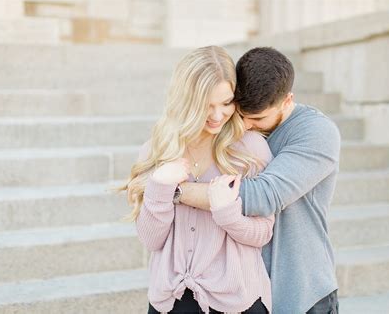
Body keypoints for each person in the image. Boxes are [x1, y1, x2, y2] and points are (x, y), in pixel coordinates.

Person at [178, 47, 341, 314]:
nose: (245, 126)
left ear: (288, 100)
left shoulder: (317, 132)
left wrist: (175, 191)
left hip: (300, 291)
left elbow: (264, 195)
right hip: (244, 292)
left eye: (257, 119)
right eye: (240, 114)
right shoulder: (230, 125)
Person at [121, 46, 274, 313]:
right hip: (171, 300)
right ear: (186, 101)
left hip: (236, 301)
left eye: (226, 103)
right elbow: (151, 240)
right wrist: (159, 186)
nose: (217, 116)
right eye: (206, 106)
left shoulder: (250, 150)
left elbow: (263, 233)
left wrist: (226, 212)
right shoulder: (157, 150)